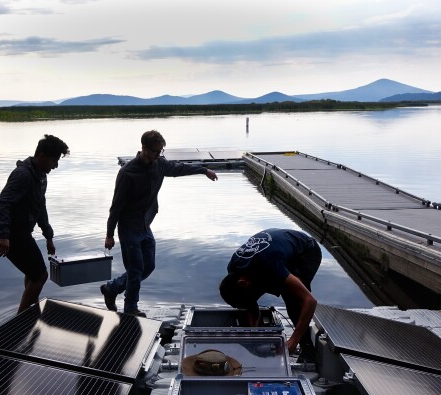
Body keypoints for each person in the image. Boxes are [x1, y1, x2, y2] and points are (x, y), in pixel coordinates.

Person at [101, 130, 218, 316]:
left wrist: (204, 171)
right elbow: (115, 207)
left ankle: (112, 288)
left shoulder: (159, 164)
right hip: (129, 228)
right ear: (144, 149)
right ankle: (130, 309)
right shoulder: (127, 173)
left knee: (148, 267)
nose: (159, 155)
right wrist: (109, 234)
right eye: (156, 151)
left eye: (161, 151)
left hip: (146, 225)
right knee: (136, 269)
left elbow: (180, 168)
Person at [0, 134, 70, 315]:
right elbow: (2, 203)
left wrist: (49, 237)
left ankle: (31, 312)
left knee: (32, 272)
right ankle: (20, 320)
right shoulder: (23, 175)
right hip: (12, 233)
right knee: (40, 275)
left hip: (22, 233)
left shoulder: (41, 176)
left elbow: (40, 207)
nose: (56, 165)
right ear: (42, 156)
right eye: (54, 160)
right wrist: (3, 236)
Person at [219, 228, 322, 360]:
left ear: (243, 283)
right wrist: (252, 338)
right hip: (276, 250)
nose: (252, 300)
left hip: (305, 250)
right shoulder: (234, 268)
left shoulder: (269, 263)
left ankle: (307, 348)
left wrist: (293, 341)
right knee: (251, 295)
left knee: (293, 298)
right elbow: (249, 302)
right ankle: (255, 331)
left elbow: (310, 301)